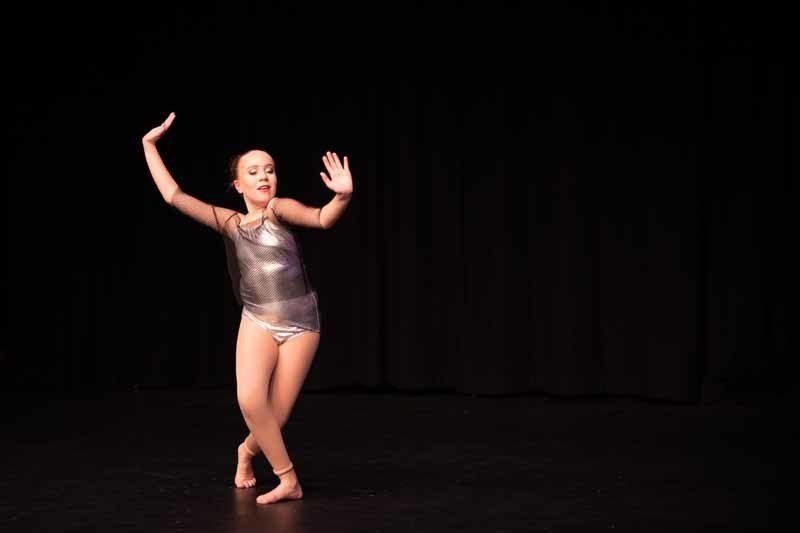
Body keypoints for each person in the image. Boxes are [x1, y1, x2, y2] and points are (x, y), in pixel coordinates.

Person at [141, 112, 353, 504]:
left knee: (276, 414)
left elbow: (321, 218)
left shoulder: (280, 209)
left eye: (270, 170)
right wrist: (148, 146)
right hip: (257, 317)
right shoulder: (231, 223)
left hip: (302, 323)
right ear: (238, 184)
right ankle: (288, 479)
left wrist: (341, 197)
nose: (264, 177)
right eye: (254, 171)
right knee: (251, 400)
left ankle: (247, 451)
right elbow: (174, 196)